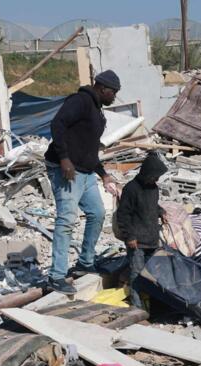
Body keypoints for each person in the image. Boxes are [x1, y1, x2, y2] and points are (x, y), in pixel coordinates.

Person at [43, 70, 122, 294]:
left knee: (97, 213)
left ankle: (85, 263)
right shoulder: (80, 101)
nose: (114, 97)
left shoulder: (97, 110)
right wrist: (64, 158)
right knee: (67, 220)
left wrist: (103, 174)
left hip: (85, 172)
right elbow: (57, 124)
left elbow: (89, 150)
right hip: (66, 170)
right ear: (102, 88)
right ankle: (56, 276)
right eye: (113, 92)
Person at [116, 154, 167, 307]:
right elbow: (123, 215)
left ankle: (152, 306)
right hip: (137, 242)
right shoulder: (131, 189)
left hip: (152, 239)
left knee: (152, 274)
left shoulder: (153, 188)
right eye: (154, 176)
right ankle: (137, 307)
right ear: (147, 174)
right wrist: (130, 236)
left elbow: (152, 206)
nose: (156, 179)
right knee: (137, 275)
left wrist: (161, 212)